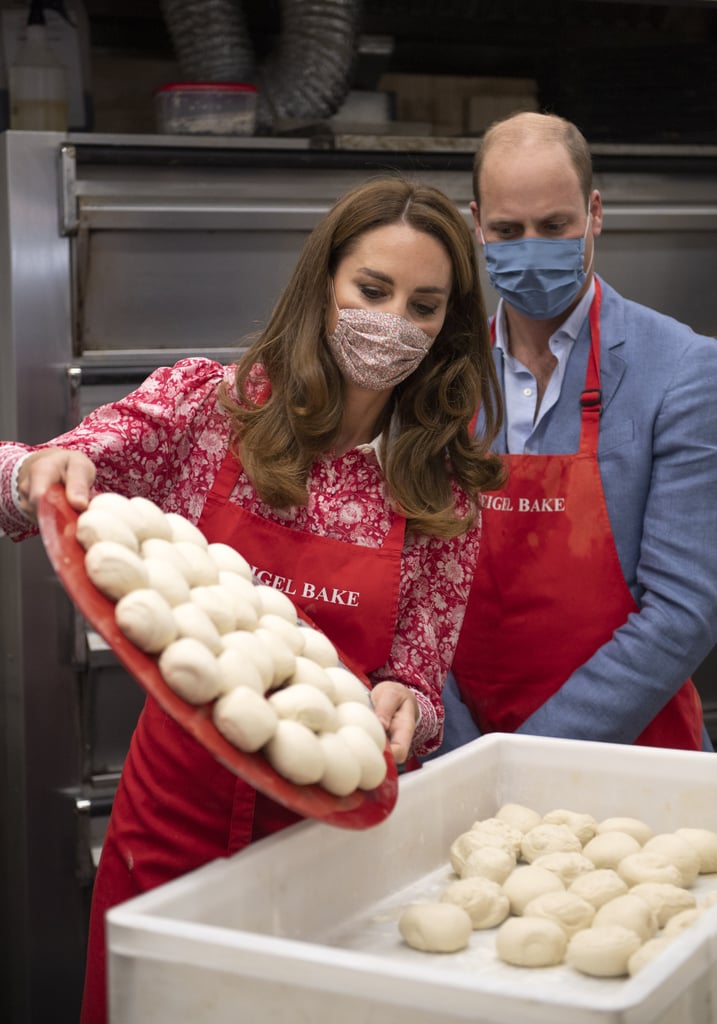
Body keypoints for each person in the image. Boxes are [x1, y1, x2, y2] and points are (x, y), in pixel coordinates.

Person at [0, 175, 503, 1022]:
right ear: (324, 285)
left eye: (422, 306)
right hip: (171, 818)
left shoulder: (441, 484)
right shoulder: (209, 408)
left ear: (446, 327)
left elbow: (420, 675)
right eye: (371, 291)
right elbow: (34, 474)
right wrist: (29, 473)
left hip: (324, 845)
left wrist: (407, 706)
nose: (392, 323)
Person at [432, 110, 717, 759]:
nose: (530, 247)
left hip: (631, 759)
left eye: (554, 226)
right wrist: (455, 753)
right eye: (507, 230)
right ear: (476, 225)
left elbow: (684, 610)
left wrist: (525, 760)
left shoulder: (681, 370)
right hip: (461, 754)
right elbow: (412, 586)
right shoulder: (439, 377)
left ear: (593, 213)